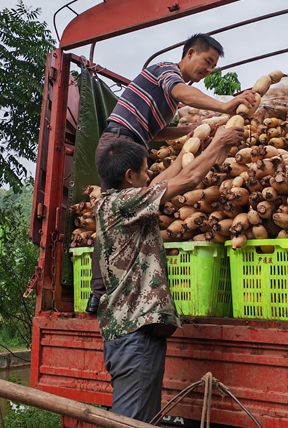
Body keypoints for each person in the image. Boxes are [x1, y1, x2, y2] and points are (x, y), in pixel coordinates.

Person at [75, 124, 245, 428]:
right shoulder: (119, 205)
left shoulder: (120, 199)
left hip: (139, 337)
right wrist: (218, 143)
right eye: (145, 170)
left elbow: (167, 179)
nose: (152, 175)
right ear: (130, 177)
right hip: (133, 338)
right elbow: (185, 180)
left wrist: (199, 146)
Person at [85, 32, 255, 313]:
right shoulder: (165, 71)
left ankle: (121, 291)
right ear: (190, 53)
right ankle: (99, 294)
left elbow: (157, 132)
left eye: (213, 66)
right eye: (207, 61)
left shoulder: (169, 99)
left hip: (133, 142)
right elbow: (179, 91)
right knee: (112, 220)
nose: (208, 70)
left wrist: (191, 130)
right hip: (119, 144)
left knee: (129, 217)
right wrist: (225, 106)